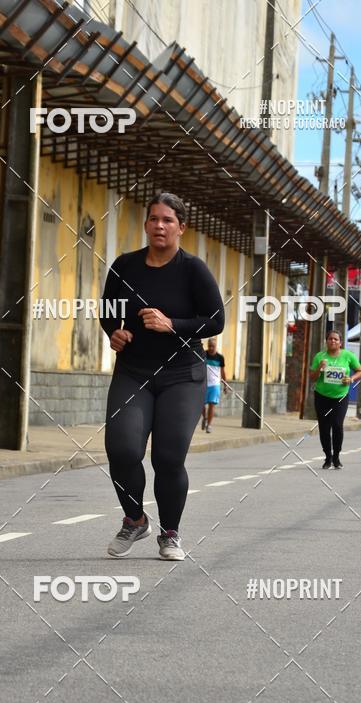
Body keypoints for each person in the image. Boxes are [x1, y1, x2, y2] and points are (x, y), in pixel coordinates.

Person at [99, 192, 224, 560]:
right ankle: (135, 520)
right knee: (121, 449)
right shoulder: (125, 265)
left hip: (182, 375)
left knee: (167, 459)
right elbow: (108, 310)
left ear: (181, 227)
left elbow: (215, 320)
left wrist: (173, 325)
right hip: (133, 372)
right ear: (145, 224)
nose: (159, 225)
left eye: (168, 220)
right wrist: (114, 333)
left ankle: (170, 533)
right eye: (154, 218)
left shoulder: (193, 270)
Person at [310, 331, 361, 469]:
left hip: (340, 397)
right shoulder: (319, 356)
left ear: (340, 342)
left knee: (337, 425)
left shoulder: (348, 355)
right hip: (322, 396)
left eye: (335, 339)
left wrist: (351, 379)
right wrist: (320, 368)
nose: (332, 341)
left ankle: (337, 456)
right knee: (324, 427)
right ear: (326, 341)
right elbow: (312, 377)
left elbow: (360, 371)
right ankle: (328, 457)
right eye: (330, 339)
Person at [201, 337, 227, 433]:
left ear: (216, 346)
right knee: (201, 405)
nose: (211, 348)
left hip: (215, 384)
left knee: (212, 405)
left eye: (213, 346)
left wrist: (225, 385)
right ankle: (205, 418)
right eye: (210, 346)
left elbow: (223, 372)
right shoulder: (203, 355)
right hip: (203, 384)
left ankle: (209, 425)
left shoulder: (220, 358)